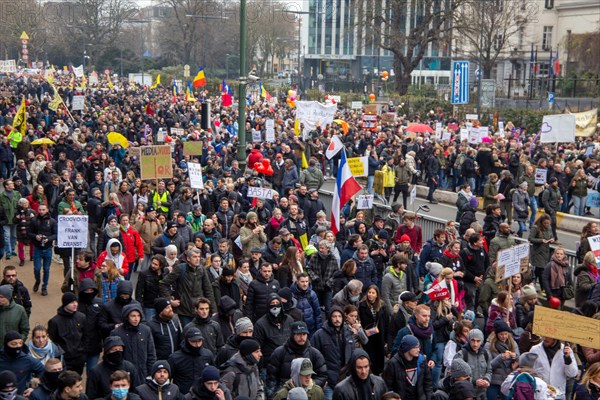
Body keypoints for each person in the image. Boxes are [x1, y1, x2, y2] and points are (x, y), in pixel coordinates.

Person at [266, 321, 327, 397]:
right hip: (285, 394)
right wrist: (276, 395)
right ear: (292, 335)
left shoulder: (314, 353)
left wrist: (310, 385)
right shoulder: (279, 352)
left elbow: (322, 376)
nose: (302, 337)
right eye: (298, 334)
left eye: (304, 334)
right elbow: (271, 379)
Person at [159, 248, 216, 326]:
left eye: (199, 257)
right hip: (184, 309)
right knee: (188, 332)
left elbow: (208, 290)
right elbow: (163, 284)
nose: (197, 259)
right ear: (188, 258)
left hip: (198, 308)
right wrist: (170, 300)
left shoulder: (202, 270)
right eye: (194, 257)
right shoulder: (180, 268)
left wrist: (213, 310)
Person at [311, 306, 355, 398]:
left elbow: (353, 354)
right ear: (329, 318)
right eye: (334, 316)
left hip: (346, 378)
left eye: (339, 316)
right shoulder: (319, 335)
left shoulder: (348, 332)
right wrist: (321, 378)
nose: (337, 319)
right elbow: (313, 358)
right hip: (328, 380)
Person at [110, 304, 157, 384]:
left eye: (138, 316)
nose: (136, 319)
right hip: (124, 375)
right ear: (127, 317)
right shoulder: (116, 333)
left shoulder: (146, 330)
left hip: (143, 373)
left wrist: (151, 373)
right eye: (133, 316)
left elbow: (151, 353)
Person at [383, 334, 433, 400]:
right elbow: (388, 387)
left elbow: (428, 382)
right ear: (407, 348)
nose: (418, 350)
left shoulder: (421, 360)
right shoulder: (393, 363)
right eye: (415, 347)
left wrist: (428, 398)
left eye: (419, 347)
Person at [168, 328, 215, 395]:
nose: (197, 344)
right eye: (194, 341)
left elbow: (213, 376)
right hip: (182, 396)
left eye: (199, 341)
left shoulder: (208, 355)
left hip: (203, 395)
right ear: (187, 341)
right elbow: (167, 380)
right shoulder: (175, 358)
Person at [48, 293, 87, 373]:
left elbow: (86, 336)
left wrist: (83, 353)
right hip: (64, 360)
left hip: (79, 358)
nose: (75, 304)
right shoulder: (55, 322)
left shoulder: (81, 317)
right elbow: (52, 341)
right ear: (65, 304)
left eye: (76, 302)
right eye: (72, 302)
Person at [453, 329, 491, 400]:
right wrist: (474, 381)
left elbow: (489, 370)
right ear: (469, 340)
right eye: (473, 340)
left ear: (482, 341)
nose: (475, 344)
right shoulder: (461, 355)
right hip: (466, 395)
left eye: (478, 341)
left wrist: (486, 380)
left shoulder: (485, 354)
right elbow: (456, 377)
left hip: (482, 393)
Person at [28, 204, 57, 296]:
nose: (41, 211)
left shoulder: (52, 221)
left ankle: (44, 287)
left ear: (47, 210)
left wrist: (49, 239)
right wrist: (35, 236)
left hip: (48, 248)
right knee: (37, 268)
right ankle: (37, 281)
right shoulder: (34, 220)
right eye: (40, 209)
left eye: (43, 209)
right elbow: (29, 233)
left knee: (46, 269)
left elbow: (56, 234)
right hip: (37, 248)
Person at [77, 278, 104, 373]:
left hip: (94, 345)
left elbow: (103, 323)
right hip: (78, 347)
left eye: (91, 290)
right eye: (86, 290)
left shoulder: (99, 303)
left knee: (92, 373)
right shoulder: (75, 304)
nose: (89, 293)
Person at [528, 215, 554, 287]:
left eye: (548, 223)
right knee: (541, 270)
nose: (546, 225)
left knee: (539, 270)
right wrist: (541, 240)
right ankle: (542, 287)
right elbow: (530, 238)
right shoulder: (535, 228)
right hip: (537, 252)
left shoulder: (549, 228)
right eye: (545, 223)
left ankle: (536, 285)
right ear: (541, 222)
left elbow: (551, 236)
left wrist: (552, 240)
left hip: (545, 251)